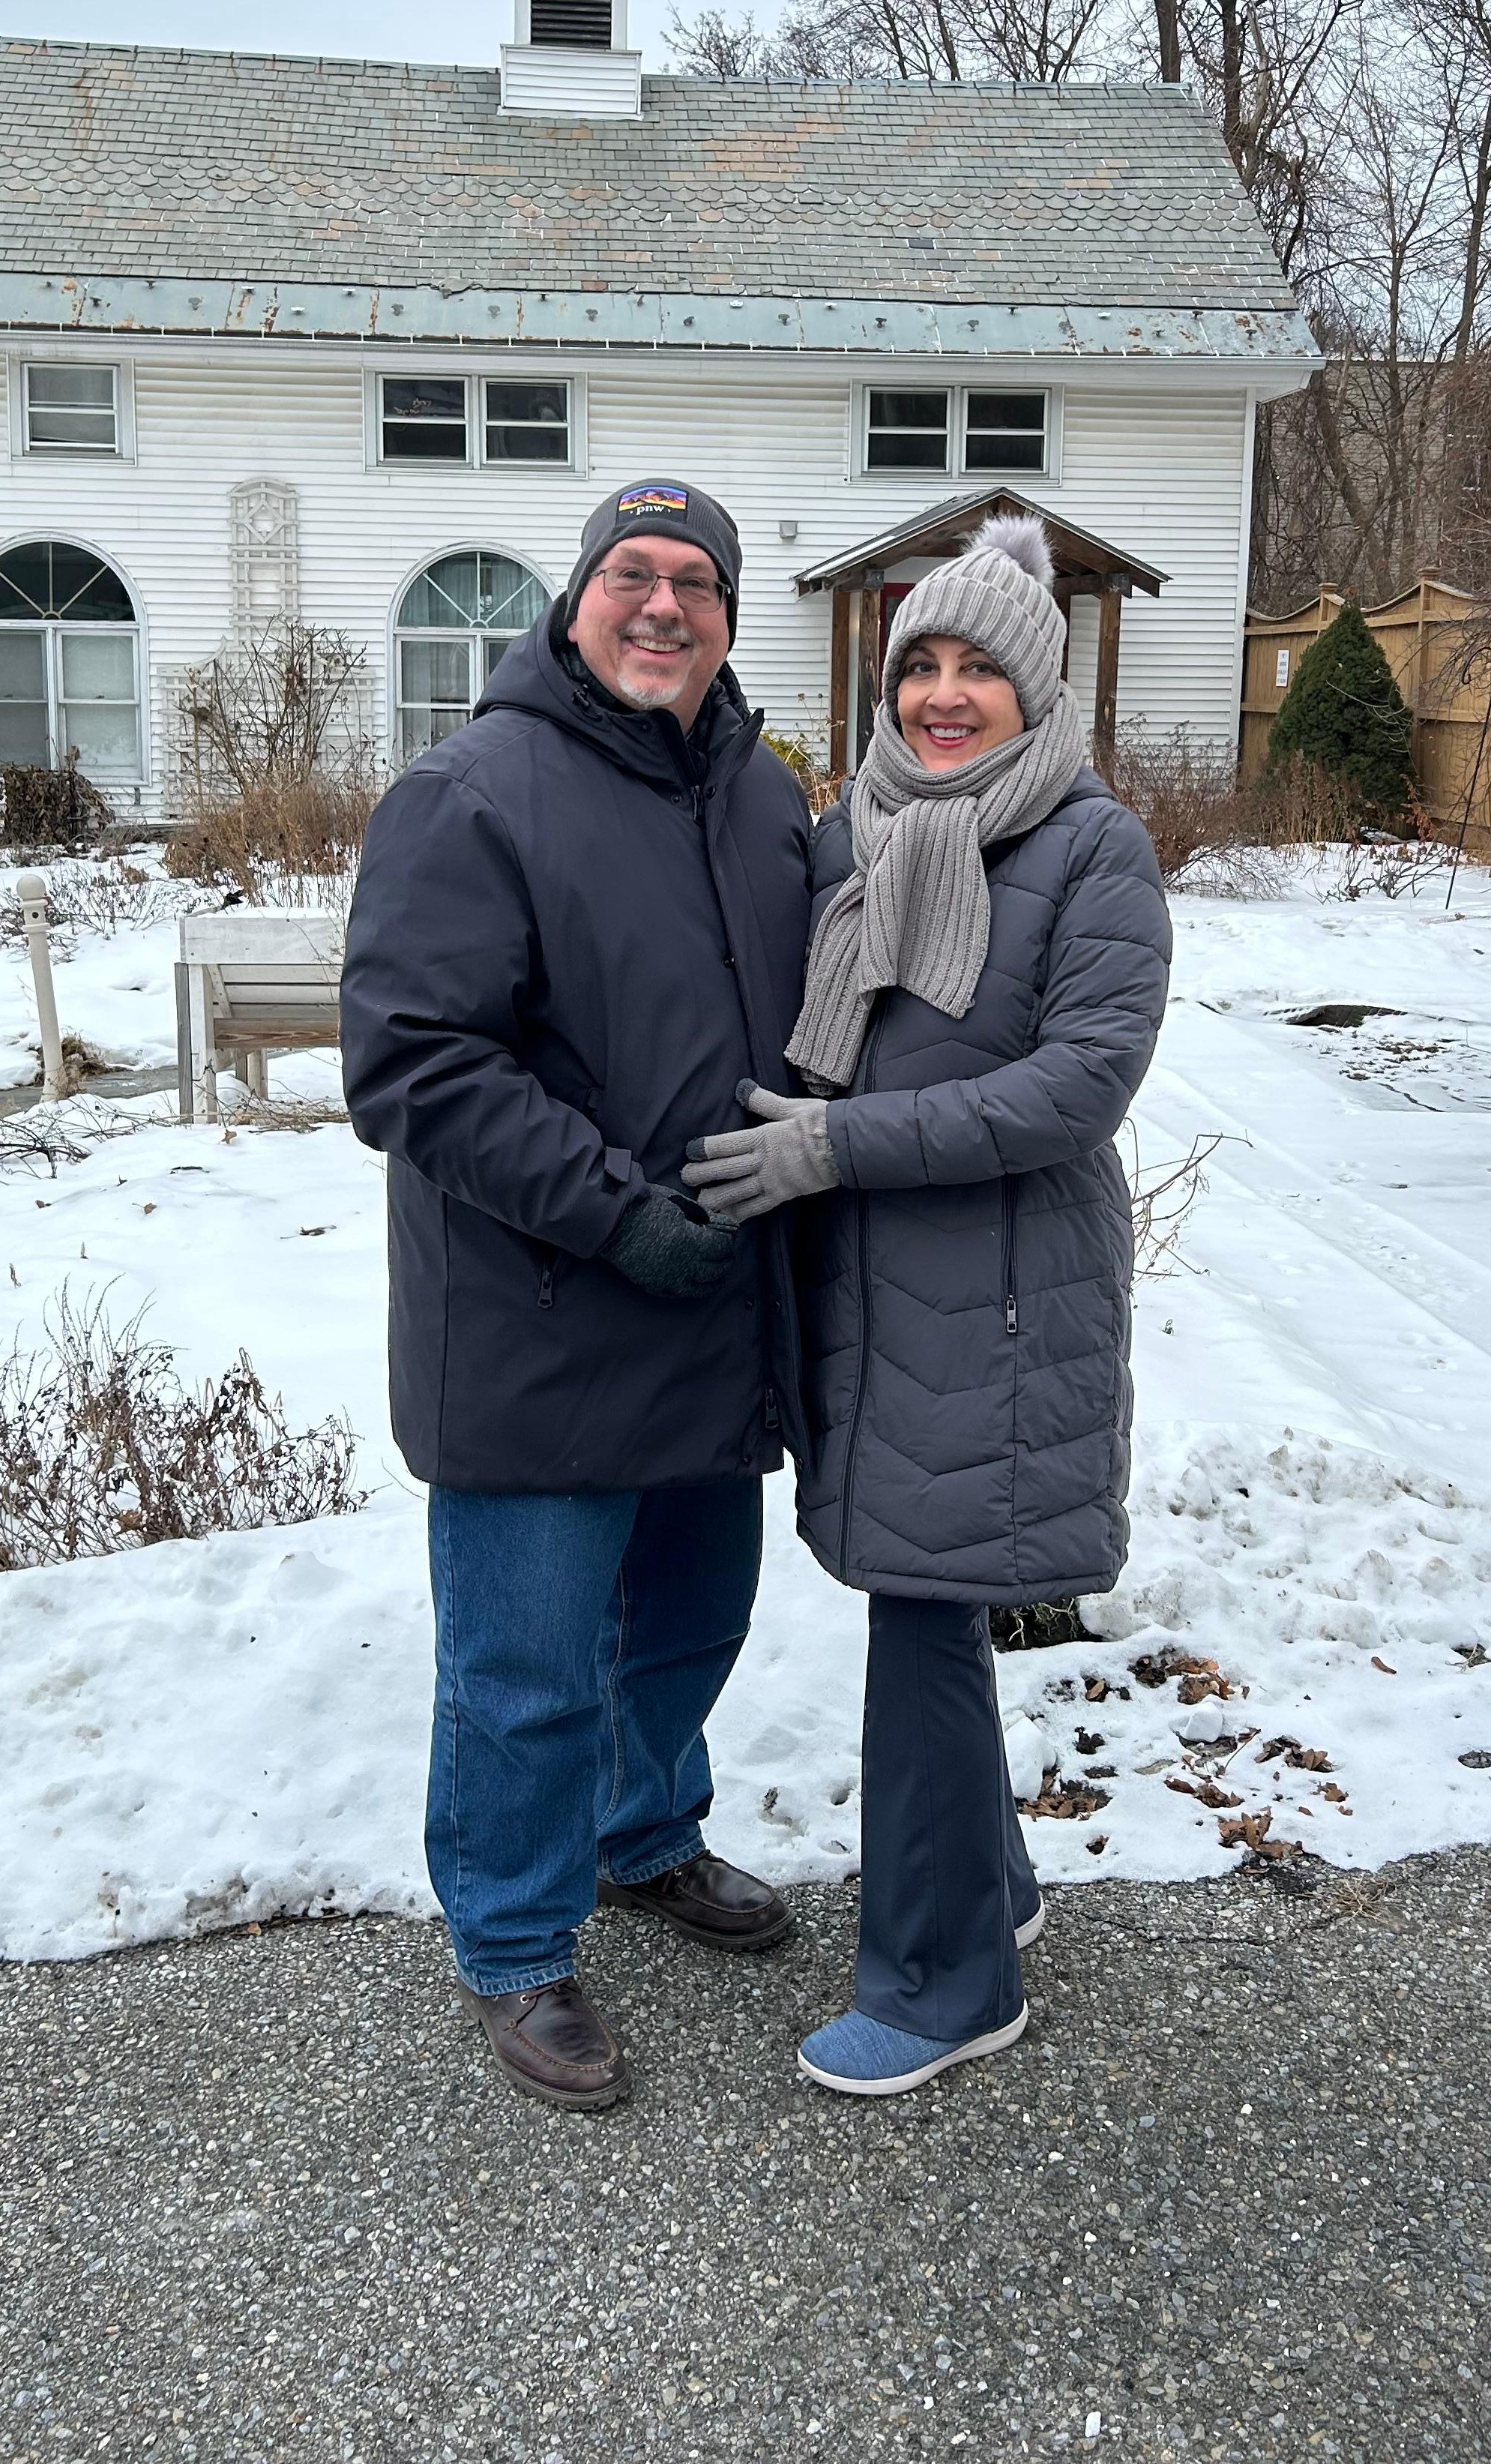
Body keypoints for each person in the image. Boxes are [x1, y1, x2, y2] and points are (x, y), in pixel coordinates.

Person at [684, 513, 1171, 2097]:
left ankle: (947, 1979)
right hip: (876, 1300)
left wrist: (835, 1145)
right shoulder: (860, 834)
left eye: (982, 670)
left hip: (1007, 1306)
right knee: (928, 1597)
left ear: (1041, 689)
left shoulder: (1093, 849)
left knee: (925, 1621)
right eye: (921, 668)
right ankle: (995, 1888)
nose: (945, 697)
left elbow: (1074, 1089)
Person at [341, 480, 812, 2112]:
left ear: (731, 619)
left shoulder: (762, 801)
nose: (663, 605)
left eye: (696, 582)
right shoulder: (472, 793)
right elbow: (415, 1068)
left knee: (687, 1624)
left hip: (712, 1311)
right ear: (576, 601)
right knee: (528, 1670)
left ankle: (645, 1839)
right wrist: (621, 1217)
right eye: (633, 574)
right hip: (544, 1315)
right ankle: (515, 1941)